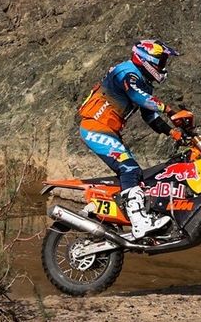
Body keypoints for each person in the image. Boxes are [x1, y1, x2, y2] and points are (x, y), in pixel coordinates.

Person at [76, 39, 184, 240]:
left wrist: (173, 132)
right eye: (160, 61)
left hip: (107, 130)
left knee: (136, 175)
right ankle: (139, 221)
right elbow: (137, 96)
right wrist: (169, 110)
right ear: (147, 59)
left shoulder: (143, 82)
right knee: (129, 168)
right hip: (94, 126)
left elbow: (149, 116)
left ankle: (115, 213)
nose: (163, 66)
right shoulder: (125, 72)